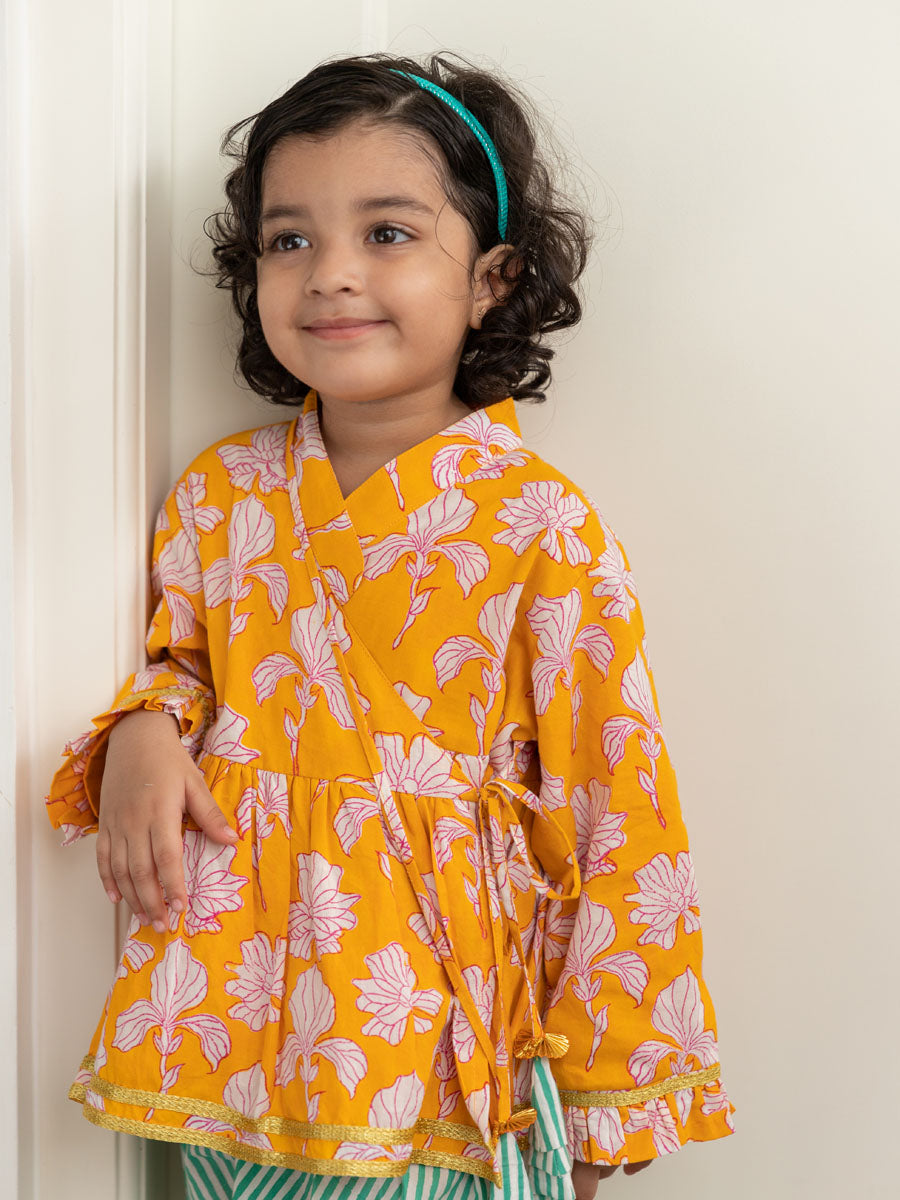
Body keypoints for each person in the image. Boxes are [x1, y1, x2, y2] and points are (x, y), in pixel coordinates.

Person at [46, 50, 734, 1200]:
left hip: (440, 1062)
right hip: (233, 1041)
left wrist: (606, 1107)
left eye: (388, 233)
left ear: (492, 279)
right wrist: (147, 732)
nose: (330, 274)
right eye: (289, 239)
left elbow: (619, 815)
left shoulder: (541, 528)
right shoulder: (222, 494)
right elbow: (185, 663)